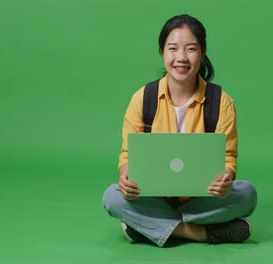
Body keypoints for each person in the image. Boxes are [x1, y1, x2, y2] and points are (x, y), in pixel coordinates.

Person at [102, 14, 257, 247]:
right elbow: (127, 155)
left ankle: (147, 226)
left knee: (247, 194)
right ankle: (199, 233)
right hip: (152, 195)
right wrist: (125, 176)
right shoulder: (142, 99)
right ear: (162, 52)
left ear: (203, 54)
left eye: (191, 49)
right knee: (112, 196)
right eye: (172, 48)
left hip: (202, 198)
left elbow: (228, 156)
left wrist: (226, 179)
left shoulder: (221, 102)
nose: (181, 58)